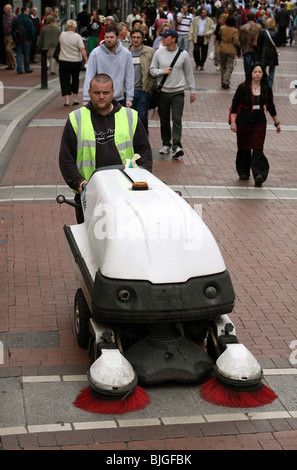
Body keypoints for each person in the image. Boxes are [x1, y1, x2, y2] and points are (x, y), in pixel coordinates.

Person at [59, 73, 153, 223]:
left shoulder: (131, 117)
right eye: (97, 93)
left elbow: (145, 154)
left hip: (125, 194)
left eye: (105, 92)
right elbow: (66, 158)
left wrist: (139, 181)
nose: (101, 96)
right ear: (89, 93)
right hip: (90, 194)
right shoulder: (76, 119)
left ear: (113, 92)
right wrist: (78, 183)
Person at [229, 62, 281, 187]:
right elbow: (235, 106)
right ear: (251, 73)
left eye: (260, 72)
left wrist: (277, 122)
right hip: (243, 122)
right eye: (255, 72)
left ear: (263, 74)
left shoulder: (266, 88)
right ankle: (243, 172)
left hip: (259, 122)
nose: (257, 74)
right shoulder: (243, 87)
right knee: (244, 147)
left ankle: (259, 175)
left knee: (258, 148)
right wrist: (233, 122)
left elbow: (271, 107)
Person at [150, 28, 195, 159]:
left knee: (176, 119)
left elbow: (188, 73)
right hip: (163, 92)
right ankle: (166, 144)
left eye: (166, 37)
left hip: (178, 92)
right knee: (164, 119)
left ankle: (176, 146)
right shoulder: (158, 53)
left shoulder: (183, 54)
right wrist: (161, 72)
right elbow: (152, 70)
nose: (163, 39)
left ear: (173, 39)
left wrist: (192, 90)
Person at [83, 25, 134, 108]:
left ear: (117, 37)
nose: (109, 40)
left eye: (111, 37)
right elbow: (89, 75)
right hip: (99, 97)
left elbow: (129, 77)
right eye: (106, 37)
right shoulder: (95, 53)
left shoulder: (126, 54)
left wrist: (129, 97)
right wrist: (86, 97)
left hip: (118, 97)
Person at [129, 28, 155, 133]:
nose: (135, 40)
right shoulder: (125, 51)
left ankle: (144, 139)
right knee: (130, 118)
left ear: (142, 39)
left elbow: (153, 71)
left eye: (138, 37)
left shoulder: (149, 52)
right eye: (133, 37)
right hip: (128, 90)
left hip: (143, 90)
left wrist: (149, 87)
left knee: (142, 116)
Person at [58, 19, 88, 106]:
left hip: (63, 60)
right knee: (75, 79)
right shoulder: (77, 36)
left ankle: (66, 100)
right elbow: (82, 49)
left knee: (64, 79)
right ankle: (75, 98)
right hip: (75, 61)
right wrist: (86, 58)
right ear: (74, 27)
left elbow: (60, 45)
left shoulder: (62, 35)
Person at [257, 18, 281, 88]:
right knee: (272, 71)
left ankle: (262, 85)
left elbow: (259, 43)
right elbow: (278, 44)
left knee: (262, 71)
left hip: (263, 54)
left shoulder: (262, 32)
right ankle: (269, 87)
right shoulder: (276, 33)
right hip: (273, 54)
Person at [219, 16, 241, 89]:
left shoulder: (222, 28)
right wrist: (239, 45)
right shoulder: (235, 30)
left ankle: (222, 80)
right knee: (229, 66)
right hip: (231, 49)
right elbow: (235, 41)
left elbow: (219, 35)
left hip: (222, 48)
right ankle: (226, 81)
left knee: (223, 66)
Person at [11, 6, 35, 74]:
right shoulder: (29, 20)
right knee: (26, 55)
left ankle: (19, 69)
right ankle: (27, 68)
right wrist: (31, 39)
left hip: (18, 40)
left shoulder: (16, 19)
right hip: (26, 39)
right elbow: (32, 31)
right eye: (28, 11)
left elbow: (12, 30)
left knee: (18, 54)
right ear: (25, 11)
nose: (28, 12)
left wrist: (14, 38)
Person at [238, 12, 262, 78]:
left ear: (247, 18)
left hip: (247, 50)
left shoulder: (243, 28)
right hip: (256, 49)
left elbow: (239, 40)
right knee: (256, 67)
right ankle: (255, 79)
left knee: (247, 68)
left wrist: (239, 50)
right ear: (254, 18)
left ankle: (248, 81)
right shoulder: (259, 27)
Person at [3, 4, 17, 70]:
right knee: (6, 50)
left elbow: (16, 26)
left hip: (11, 35)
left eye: (5, 9)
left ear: (8, 9)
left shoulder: (13, 16)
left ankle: (14, 63)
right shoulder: (4, 16)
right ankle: (9, 64)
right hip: (5, 34)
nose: (3, 10)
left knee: (9, 49)